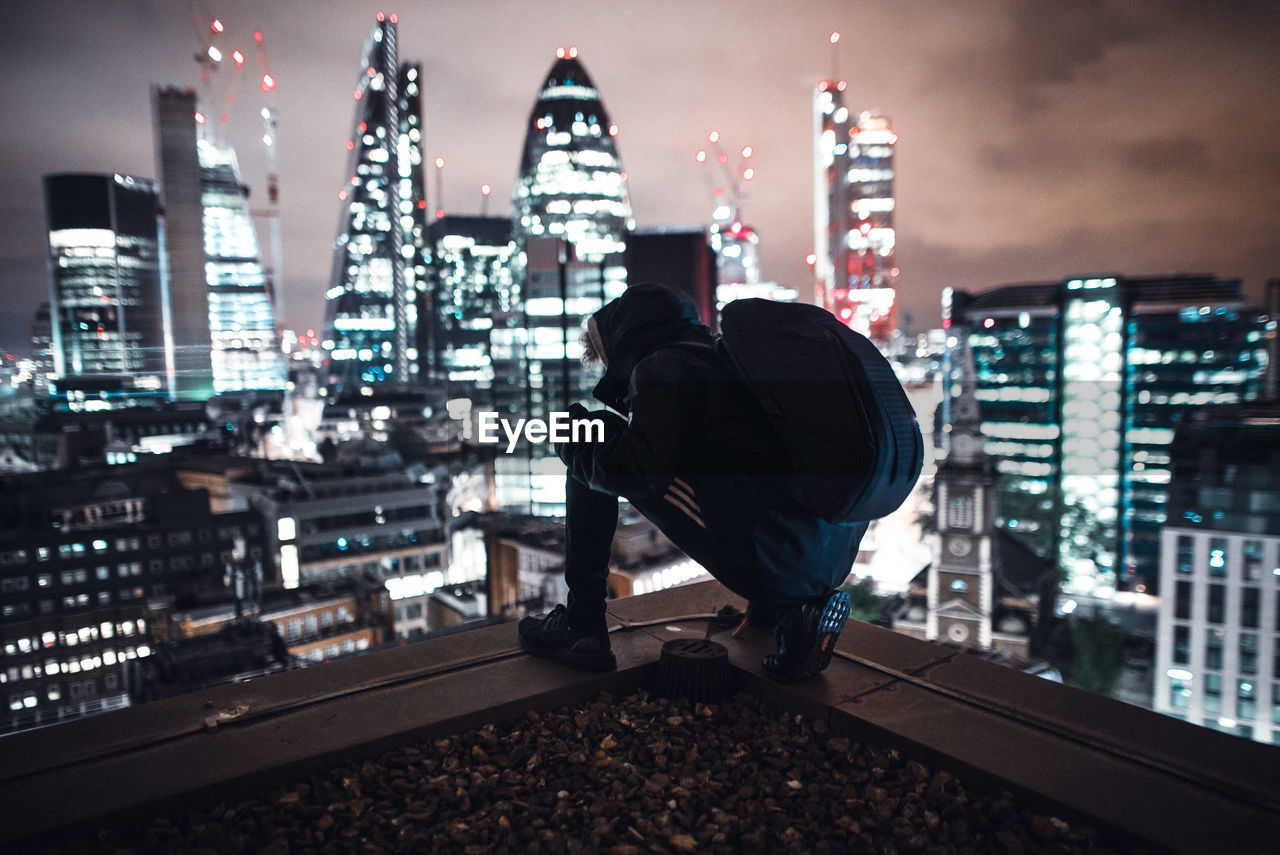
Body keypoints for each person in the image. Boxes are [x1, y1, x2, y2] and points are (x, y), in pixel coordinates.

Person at [517, 283, 868, 682]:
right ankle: (787, 613)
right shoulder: (732, 361)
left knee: (591, 435)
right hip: (823, 556)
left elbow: (637, 473)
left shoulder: (664, 367)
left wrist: (570, 444)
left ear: (625, 339)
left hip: (772, 560)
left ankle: (582, 626)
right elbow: (761, 475)